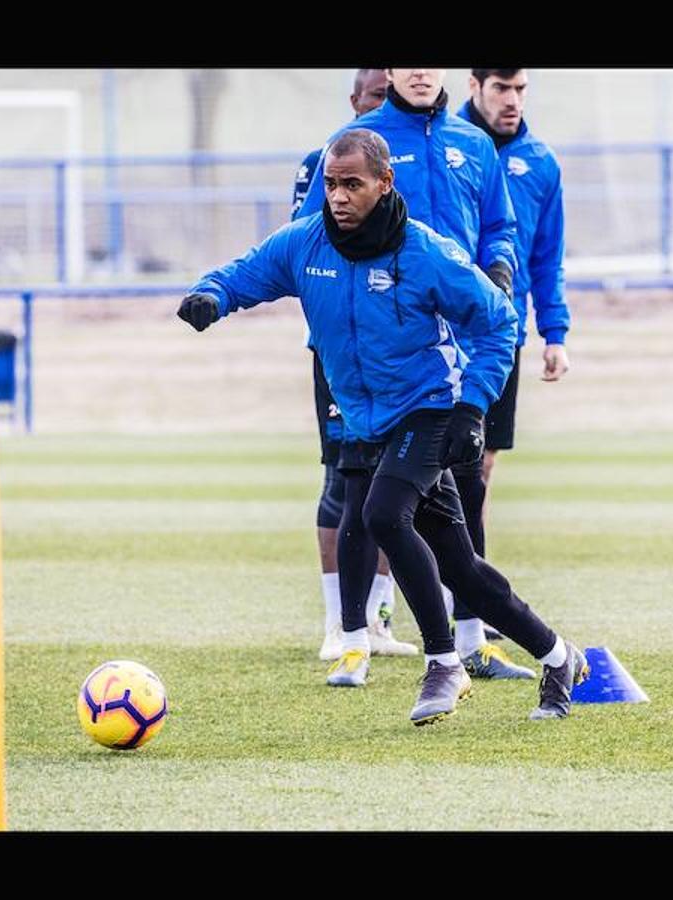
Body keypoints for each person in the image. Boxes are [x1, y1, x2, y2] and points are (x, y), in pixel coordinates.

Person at [177, 129, 589, 724]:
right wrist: (210, 296)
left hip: (428, 408)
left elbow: (499, 323)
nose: (338, 196)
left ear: (384, 183)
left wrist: (473, 408)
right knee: (459, 565)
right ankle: (558, 656)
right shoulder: (305, 244)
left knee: (379, 515)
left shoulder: (424, 253)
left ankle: (443, 665)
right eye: (331, 184)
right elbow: (244, 273)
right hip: (364, 420)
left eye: (352, 184)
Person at [297, 68, 534, 681]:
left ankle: (471, 638)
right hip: (371, 354)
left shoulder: (473, 145)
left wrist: (500, 273)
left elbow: (500, 229)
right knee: (355, 490)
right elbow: (305, 241)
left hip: (464, 343)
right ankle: (352, 633)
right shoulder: (354, 139)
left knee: (467, 491)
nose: (422, 70)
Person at [291, 69, 414, 662]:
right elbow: (296, 249)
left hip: (400, 358)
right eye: (372, 97)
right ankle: (338, 622)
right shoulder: (323, 165)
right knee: (342, 479)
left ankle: (379, 619)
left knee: (399, 489)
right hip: (339, 355)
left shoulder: (403, 168)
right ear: (355, 102)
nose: (380, 108)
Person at [455, 67, 571, 590]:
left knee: (480, 466)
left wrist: (555, 333)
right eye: (502, 88)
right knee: (423, 466)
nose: (513, 100)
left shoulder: (540, 163)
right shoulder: (448, 146)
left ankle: (466, 590)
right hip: (441, 330)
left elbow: (547, 257)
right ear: (474, 87)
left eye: (520, 89)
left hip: (502, 336)